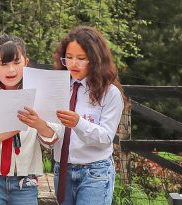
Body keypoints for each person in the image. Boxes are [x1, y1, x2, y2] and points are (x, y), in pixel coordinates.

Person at [0, 34, 61, 205]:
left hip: (24, 181)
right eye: (4, 64)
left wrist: (38, 124)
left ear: (26, 62)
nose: (11, 70)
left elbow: (52, 139)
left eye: (16, 63)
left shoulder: (38, 95)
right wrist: (7, 131)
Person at [50, 26, 125, 205]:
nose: (74, 64)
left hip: (95, 172)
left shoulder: (110, 93)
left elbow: (106, 137)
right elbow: (51, 133)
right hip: (62, 170)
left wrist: (78, 123)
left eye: (81, 58)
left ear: (95, 59)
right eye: (68, 58)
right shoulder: (56, 87)